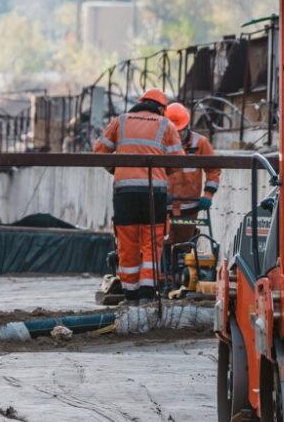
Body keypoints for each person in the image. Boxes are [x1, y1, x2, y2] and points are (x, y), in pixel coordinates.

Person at [93, 88, 183, 303]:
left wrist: (117, 169)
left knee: (127, 244)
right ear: (162, 108)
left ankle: (130, 296)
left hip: (125, 193)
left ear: (141, 102)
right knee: (152, 244)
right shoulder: (166, 125)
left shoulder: (120, 121)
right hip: (155, 193)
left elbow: (99, 152)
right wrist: (161, 172)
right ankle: (147, 296)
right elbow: (179, 161)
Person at [164, 102, 220, 247]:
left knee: (185, 248)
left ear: (187, 126)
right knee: (161, 247)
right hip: (163, 206)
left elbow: (213, 169)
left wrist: (208, 194)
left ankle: (183, 267)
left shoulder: (200, 143)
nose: (177, 134)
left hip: (190, 207)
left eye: (180, 131)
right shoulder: (160, 143)